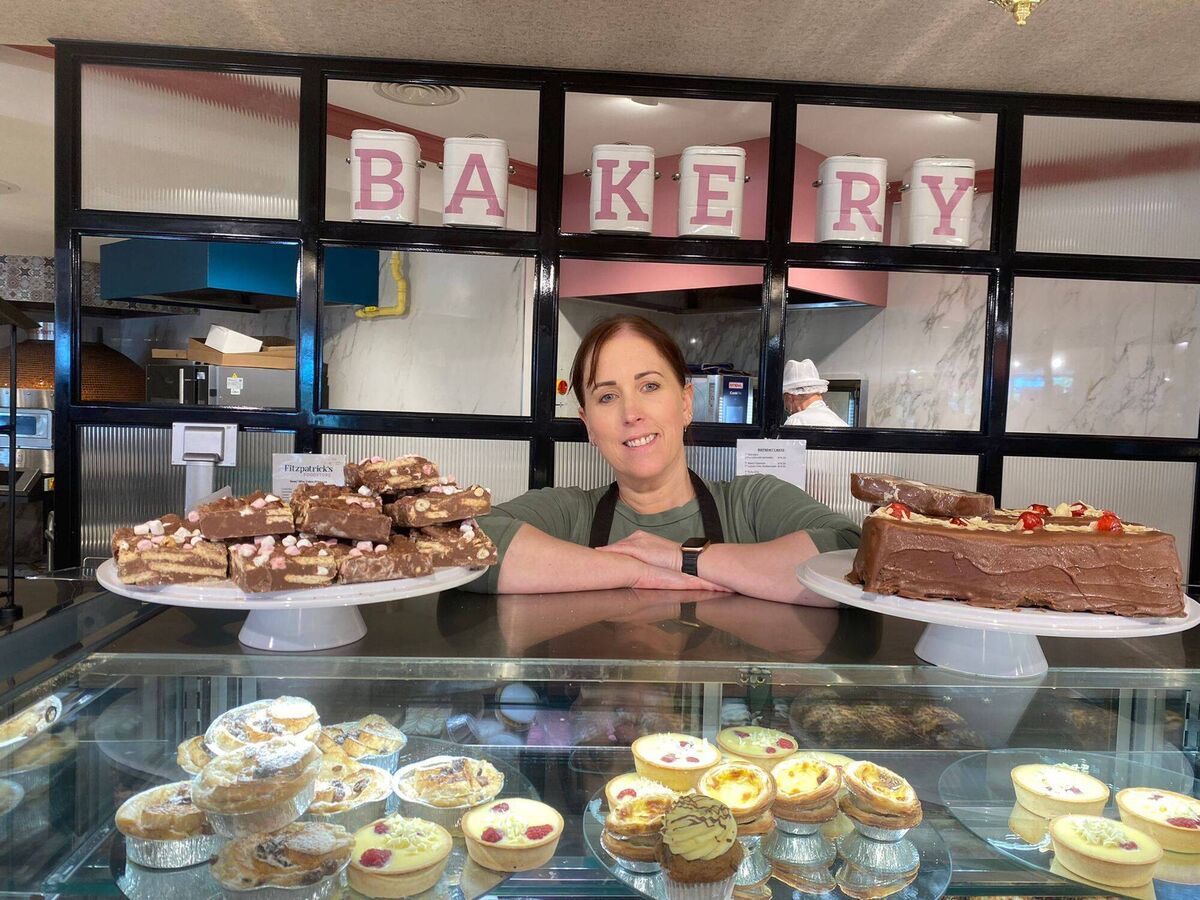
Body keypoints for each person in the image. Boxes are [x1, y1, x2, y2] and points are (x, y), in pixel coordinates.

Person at [463, 315, 860, 603]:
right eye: (607, 396)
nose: (631, 412)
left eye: (649, 386)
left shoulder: (750, 503)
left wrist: (680, 557)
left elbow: (848, 552)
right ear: (587, 424)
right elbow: (466, 542)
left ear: (685, 403)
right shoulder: (569, 513)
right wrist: (633, 570)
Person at [782, 359, 850, 427]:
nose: (788, 410)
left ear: (789, 397)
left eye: (787, 408)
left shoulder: (795, 422)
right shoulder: (840, 423)